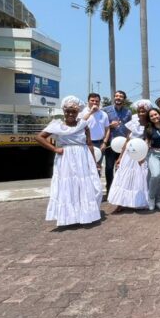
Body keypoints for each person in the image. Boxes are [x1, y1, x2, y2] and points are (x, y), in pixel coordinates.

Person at [35, 96, 102, 227]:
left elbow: (89, 144)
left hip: (83, 157)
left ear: (78, 112)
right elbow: (39, 137)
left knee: (85, 186)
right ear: (64, 111)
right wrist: (54, 149)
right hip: (66, 159)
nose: (70, 114)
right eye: (68, 111)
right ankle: (70, 217)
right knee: (68, 186)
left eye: (73, 111)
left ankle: (85, 214)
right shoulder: (56, 125)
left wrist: (94, 162)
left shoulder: (83, 124)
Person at [107, 100, 151, 212]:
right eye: (139, 111)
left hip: (140, 153)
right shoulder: (133, 123)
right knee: (124, 177)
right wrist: (120, 157)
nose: (141, 113)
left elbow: (147, 141)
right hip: (128, 152)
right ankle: (121, 202)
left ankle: (138, 201)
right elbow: (127, 140)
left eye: (143, 111)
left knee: (140, 178)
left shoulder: (149, 125)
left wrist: (142, 156)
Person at [102, 90, 132, 192]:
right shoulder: (105, 110)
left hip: (123, 144)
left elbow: (129, 128)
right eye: (116, 96)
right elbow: (100, 126)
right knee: (109, 167)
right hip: (110, 142)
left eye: (121, 96)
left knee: (120, 167)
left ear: (124, 99)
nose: (118, 98)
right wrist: (110, 126)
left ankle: (119, 189)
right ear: (114, 98)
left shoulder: (128, 112)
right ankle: (110, 188)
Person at [81, 93, 110, 173]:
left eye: (97, 101)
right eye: (92, 100)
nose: (94, 103)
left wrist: (104, 142)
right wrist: (91, 112)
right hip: (86, 143)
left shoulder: (104, 114)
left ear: (99, 102)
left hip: (99, 144)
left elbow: (107, 129)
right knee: (86, 167)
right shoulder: (82, 112)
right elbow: (80, 123)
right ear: (88, 101)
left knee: (97, 167)